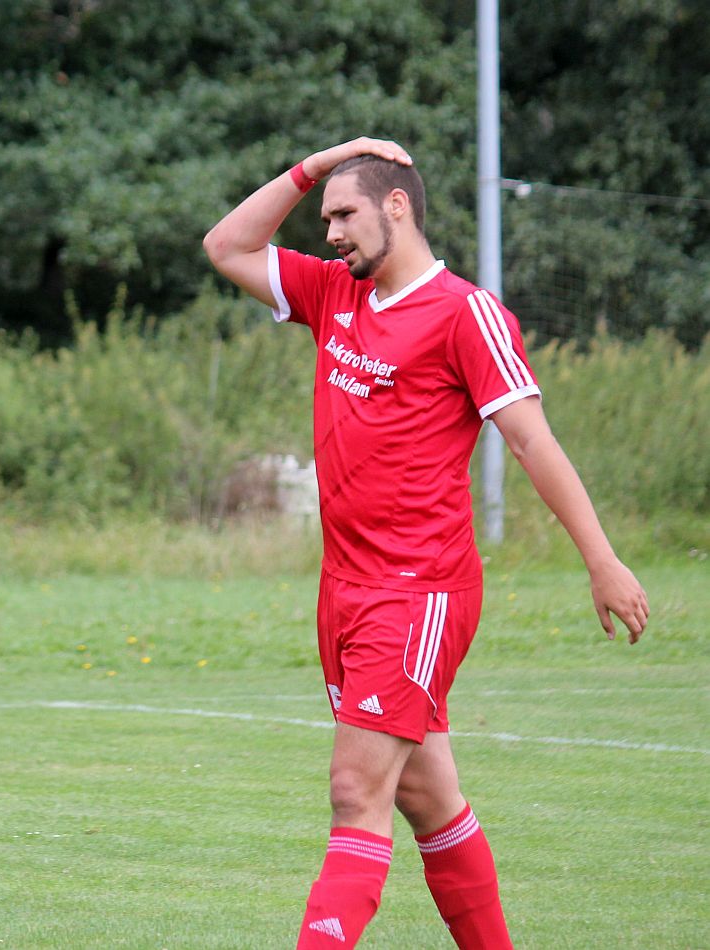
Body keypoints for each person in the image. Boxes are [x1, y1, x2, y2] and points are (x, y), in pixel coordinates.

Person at [202, 138, 649, 948]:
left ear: (396, 206)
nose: (330, 231)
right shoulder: (335, 294)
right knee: (427, 799)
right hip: (343, 590)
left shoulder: (465, 314)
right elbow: (227, 246)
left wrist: (602, 559)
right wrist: (317, 165)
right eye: (326, 214)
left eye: (345, 213)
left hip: (417, 594)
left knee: (355, 791)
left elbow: (532, 444)